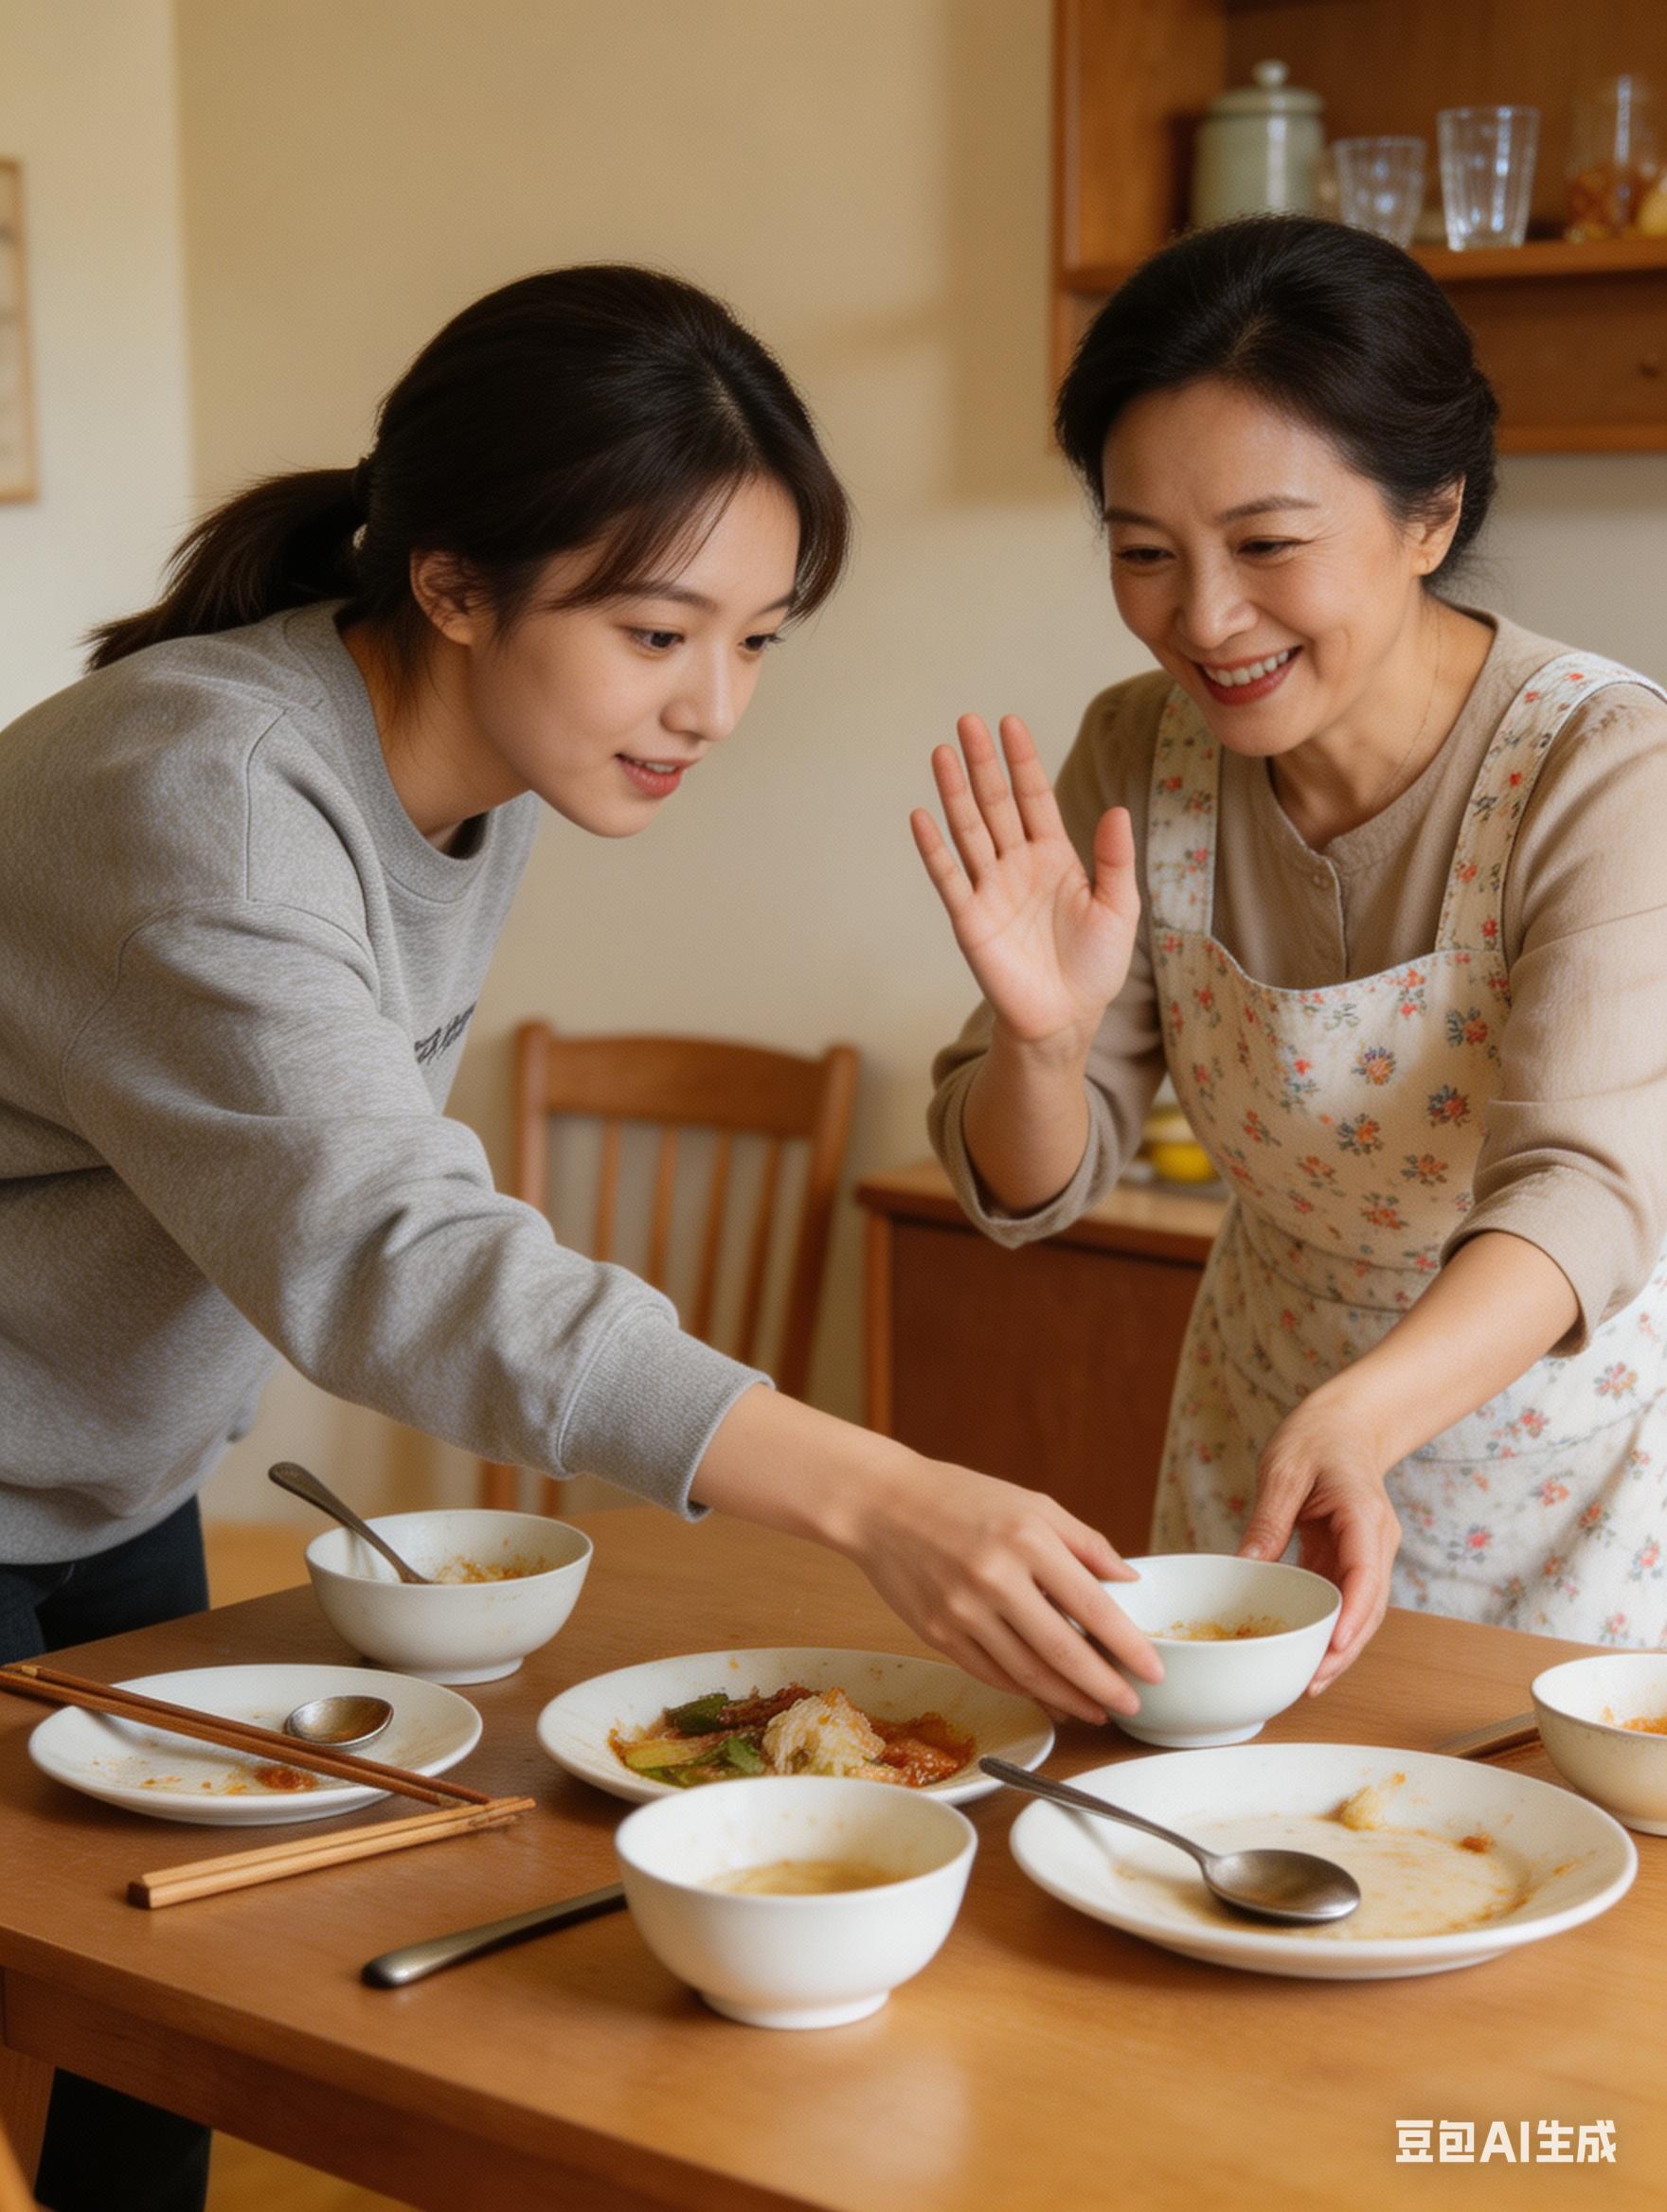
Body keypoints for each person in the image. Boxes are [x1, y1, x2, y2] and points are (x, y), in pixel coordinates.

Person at [0, 264, 1160, 2212]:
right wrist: (877, 1492)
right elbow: (393, 1249)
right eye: (655, 630)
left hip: (96, 1465)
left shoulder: (481, 772)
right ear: (452, 584)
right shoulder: (202, 788)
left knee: (148, 1986)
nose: (709, 705)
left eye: (755, 638)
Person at [918, 215, 1667, 1690]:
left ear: (1429, 514)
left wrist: (1364, 1420)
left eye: (1267, 545)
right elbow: (1023, 1191)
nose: (1202, 618)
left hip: (1573, 1461)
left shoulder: (1601, 762)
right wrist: (1043, 1047)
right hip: (1267, 1431)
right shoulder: (1137, 752)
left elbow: (1584, 1185)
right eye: (1145, 553)